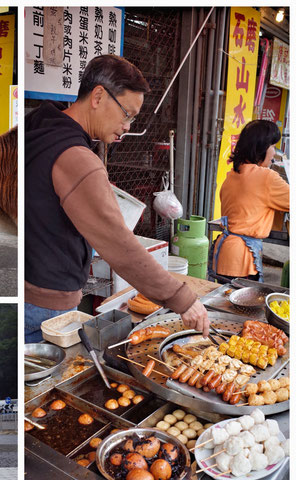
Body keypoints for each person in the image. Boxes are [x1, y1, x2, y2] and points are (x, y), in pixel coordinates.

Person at [25, 54, 210, 342]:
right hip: (45, 305)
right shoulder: (76, 157)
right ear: (98, 96)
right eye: (127, 114)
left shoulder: (38, 124)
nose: (128, 126)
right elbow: (119, 244)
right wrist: (181, 298)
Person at [210, 120, 289, 282]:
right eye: (273, 146)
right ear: (261, 148)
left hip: (225, 253)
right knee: (240, 305)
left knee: (224, 301)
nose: (274, 152)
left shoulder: (233, 174)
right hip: (242, 258)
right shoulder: (266, 178)